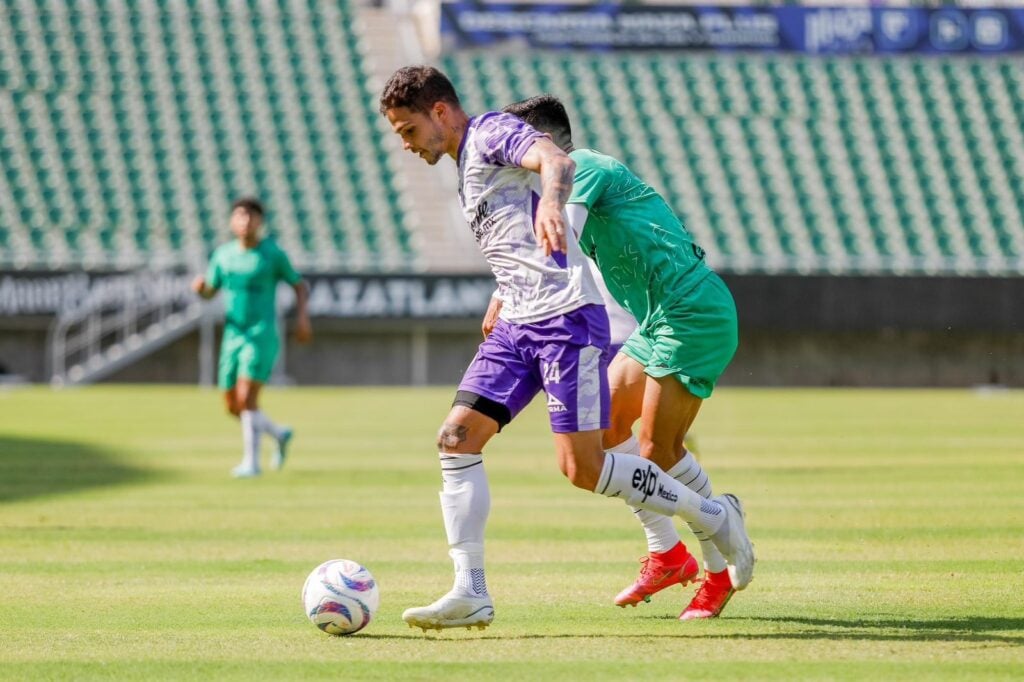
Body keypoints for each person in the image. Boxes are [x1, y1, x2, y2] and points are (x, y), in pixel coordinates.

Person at [379, 66, 753, 632]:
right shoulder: (474, 168)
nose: (405, 145)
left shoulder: (534, 152)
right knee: (461, 438)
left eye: (406, 131)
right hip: (611, 320)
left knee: (640, 449)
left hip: (662, 313)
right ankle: (474, 590)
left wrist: (550, 206)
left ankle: (714, 523)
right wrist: (505, 291)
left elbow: (560, 193)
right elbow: (529, 237)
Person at [501, 94, 744, 620]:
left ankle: (718, 567)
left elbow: (558, 234)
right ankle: (667, 553)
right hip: (658, 321)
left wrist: (511, 285)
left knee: (658, 447)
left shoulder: (582, 167)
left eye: (517, 147)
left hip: (693, 313)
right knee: (606, 434)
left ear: (541, 142)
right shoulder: (563, 188)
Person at [191, 197, 312, 478]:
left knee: (247, 398)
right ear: (232, 222)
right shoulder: (223, 255)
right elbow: (211, 290)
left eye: (251, 216)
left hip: (261, 333)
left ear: (259, 222)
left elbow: (298, 285)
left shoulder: (272, 254)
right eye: (240, 216)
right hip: (233, 335)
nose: (245, 221)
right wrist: (200, 289)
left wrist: (303, 319)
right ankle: (278, 433)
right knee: (232, 405)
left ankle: (251, 463)